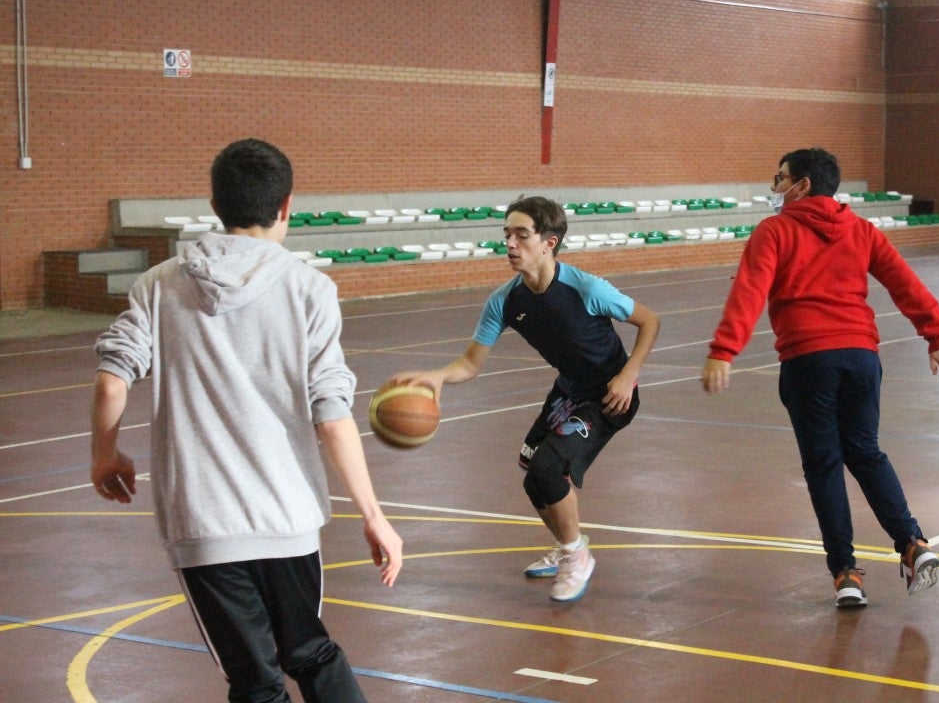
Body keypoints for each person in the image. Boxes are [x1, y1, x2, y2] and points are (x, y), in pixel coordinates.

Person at [89, 138, 403, 702]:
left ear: (216, 204)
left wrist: (104, 454)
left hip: (204, 525)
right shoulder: (311, 288)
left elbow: (113, 379)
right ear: (286, 206)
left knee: (255, 684)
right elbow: (331, 414)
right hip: (287, 515)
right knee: (311, 653)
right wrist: (374, 516)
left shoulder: (158, 285)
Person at [700, 147, 939, 609]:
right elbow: (904, 283)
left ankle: (845, 573)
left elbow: (750, 291)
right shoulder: (861, 230)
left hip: (808, 360)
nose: (774, 187)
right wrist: (937, 337)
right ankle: (913, 543)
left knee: (823, 464)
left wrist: (724, 350)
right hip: (861, 357)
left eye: (779, 178)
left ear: (801, 185)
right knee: (865, 451)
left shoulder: (774, 231)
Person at [391, 195, 660, 602]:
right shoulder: (504, 300)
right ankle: (567, 546)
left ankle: (576, 555)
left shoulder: (586, 288)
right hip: (569, 389)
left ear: (549, 242)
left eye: (521, 235)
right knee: (532, 469)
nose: (510, 245)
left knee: (549, 469)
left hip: (610, 395)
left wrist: (629, 375)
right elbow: (470, 363)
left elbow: (650, 321)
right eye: (507, 235)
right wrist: (437, 376)